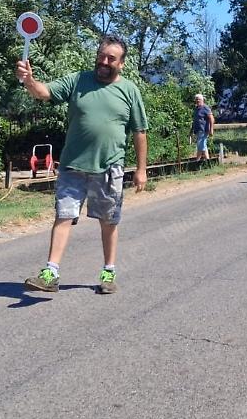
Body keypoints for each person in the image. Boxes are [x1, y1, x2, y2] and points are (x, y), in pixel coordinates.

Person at [16, 35, 148, 295]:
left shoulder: (130, 90)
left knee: (108, 221)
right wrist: (29, 80)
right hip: (72, 165)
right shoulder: (78, 80)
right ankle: (50, 273)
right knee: (63, 216)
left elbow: (139, 132)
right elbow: (44, 93)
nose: (104, 61)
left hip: (109, 168)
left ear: (121, 63)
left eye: (111, 58)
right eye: (102, 55)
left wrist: (141, 170)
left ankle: (108, 272)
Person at [192, 93, 215, 161]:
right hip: (198, 130)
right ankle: (207, 161)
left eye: (199, 99)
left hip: (203, 130)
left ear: (202, 100)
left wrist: (211, 129)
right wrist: (191, 130)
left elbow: (211, 119)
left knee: (200, 145)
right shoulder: (196, 109)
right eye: (196, 99)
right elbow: (195, 120)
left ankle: (197, 161)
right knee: (202, 145)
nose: (197, 101)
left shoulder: (205, 108)